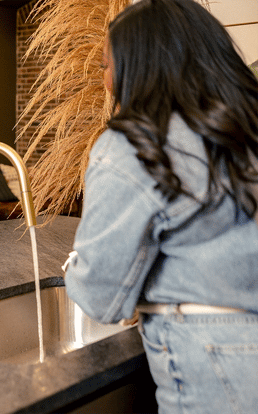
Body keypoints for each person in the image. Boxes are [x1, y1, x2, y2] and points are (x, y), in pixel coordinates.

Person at [62, 0, 258, 412]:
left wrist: (76, 268)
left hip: (215, 359)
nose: (105, 81)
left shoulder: (136, 144)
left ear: (139, 66)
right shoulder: (241, 127)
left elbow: (101, 297)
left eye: (105, 66)